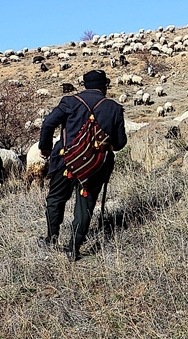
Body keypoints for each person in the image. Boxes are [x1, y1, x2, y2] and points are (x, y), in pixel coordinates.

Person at [37, 69, 127, 261]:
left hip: (65, 162)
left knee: (55, 199)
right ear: (104, 86)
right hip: (95, 166)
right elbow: (120, 143)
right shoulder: (114, 108)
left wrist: (45, 148)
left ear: (84, 85)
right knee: (85, 205)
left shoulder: (69, 102)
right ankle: (73, 248)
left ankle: (51, 239)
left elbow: (47, 124)